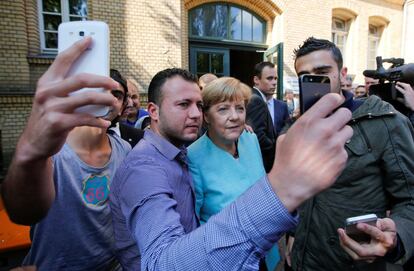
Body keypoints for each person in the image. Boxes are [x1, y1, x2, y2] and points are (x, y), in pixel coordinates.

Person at [109, 66, 353, 270]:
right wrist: (281, 192)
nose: (194, 113)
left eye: (198, 105)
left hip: (259, 255)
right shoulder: (144, 168)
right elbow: (162, 262)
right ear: (152, 111)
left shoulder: (233, 142)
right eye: (183, 105)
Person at [1, 37, 131, 270]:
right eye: (100, 91)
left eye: (117, 94)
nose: (108, 99)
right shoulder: (51, 150)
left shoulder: (125, 149)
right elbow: (21, 211)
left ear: (122, 106)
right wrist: (29, 154)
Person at [289, 37, 414, 271]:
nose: (315, 81)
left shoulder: (386, 123)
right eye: (305, 76)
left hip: (354, 263)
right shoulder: (300, 127)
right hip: (303, 261)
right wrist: (293, 234)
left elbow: (410, 199)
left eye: (323, 71)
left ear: (343, 74)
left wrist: (395, 239)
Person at [187, 77, 281, 270]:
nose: (235, 116)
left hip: (265, 252)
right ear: (206, 116)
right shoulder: (193, 157)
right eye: (223, 109)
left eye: (240, 108)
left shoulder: (250, 139)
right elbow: (193, 222)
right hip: (227, 259)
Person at [246, 62, 278, 172]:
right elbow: (257, 135)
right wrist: (276, 148)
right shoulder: (256, 100)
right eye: (269, 78)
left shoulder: (255, 96)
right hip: (262, 165)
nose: (274, 83)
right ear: (256, 80)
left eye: (275, 78)